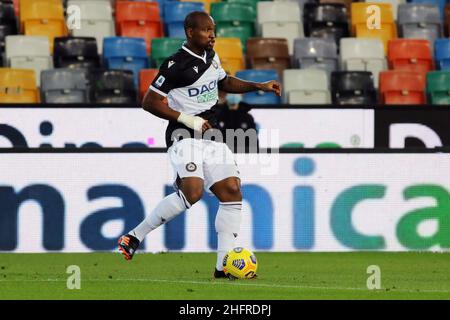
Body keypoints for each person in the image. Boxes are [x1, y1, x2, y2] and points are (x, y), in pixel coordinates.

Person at [118, 11, 281, 279]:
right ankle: (134, 236)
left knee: (231, 190)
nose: (212, 35)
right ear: (190, 32)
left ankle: (222, 268)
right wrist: (188, 119)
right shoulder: (175, 65)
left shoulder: (211, 58)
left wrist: (258, 86)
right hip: (183, 134)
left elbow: (225, 81)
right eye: (206, 30)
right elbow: (150, 102)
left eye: (213, 30)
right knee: (192, 192)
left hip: (211, 134)